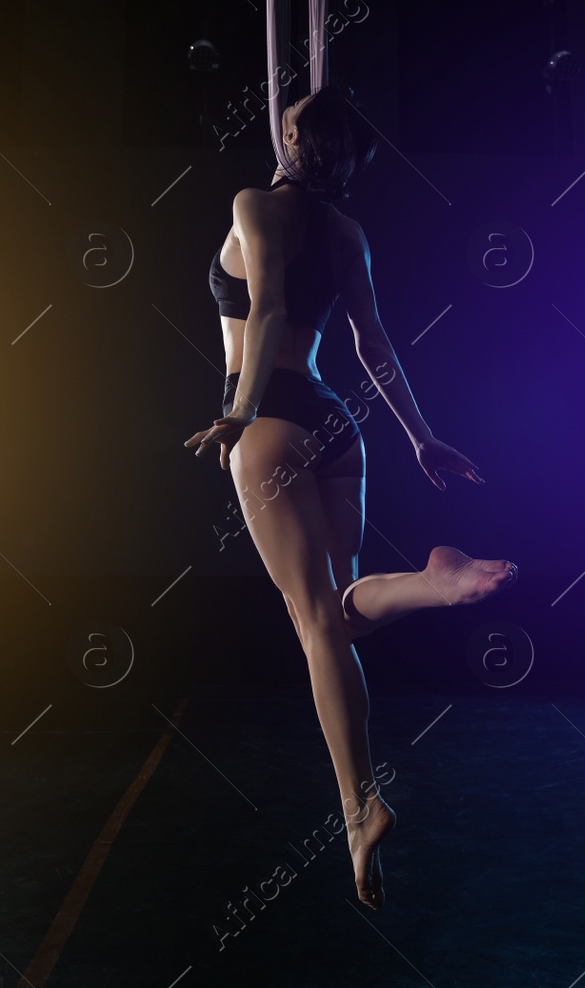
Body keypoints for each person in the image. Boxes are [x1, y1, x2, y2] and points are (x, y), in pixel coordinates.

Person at [184, 86, 517, 910]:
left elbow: (261, 309)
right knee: (343, 615)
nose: (286, 128)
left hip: (267, 419)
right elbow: (372, 344)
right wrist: (418, 434)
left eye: (293, 122)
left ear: (296, 141)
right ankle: (436, 582)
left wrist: (237, 411)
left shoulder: (253, 203)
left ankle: (359, 805)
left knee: (316, 624)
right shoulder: (347, 232)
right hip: (334, 421)